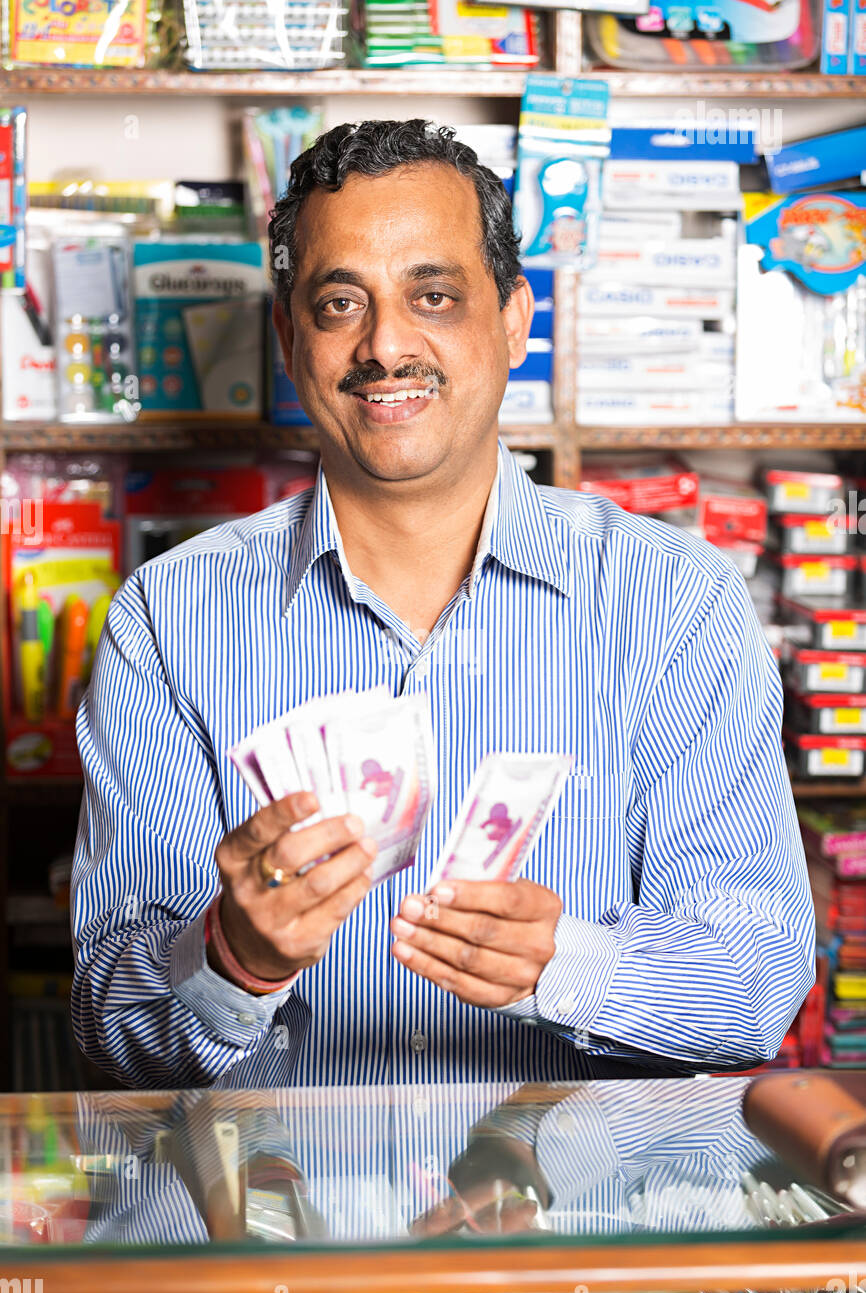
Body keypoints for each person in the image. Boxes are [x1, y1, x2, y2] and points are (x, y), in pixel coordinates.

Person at [71, 119, 814, 1090]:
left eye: (433, 295)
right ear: (291, 339)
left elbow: (755, 987)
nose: (387, 345)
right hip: (277, 1228)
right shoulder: (166, 622)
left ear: (512, 318)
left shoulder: (674, 602)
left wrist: (571, 968)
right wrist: (232, 957)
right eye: (341, 303)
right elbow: (100, 1020)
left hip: (578, 1227)